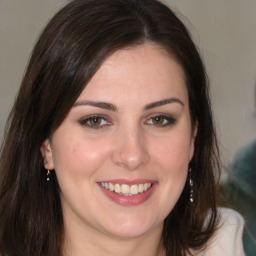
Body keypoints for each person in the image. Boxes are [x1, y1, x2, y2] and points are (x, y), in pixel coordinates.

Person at [0, 0, 245, 255]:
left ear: (193, 136)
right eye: (96, 121)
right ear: (46, 144)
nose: (132, 156)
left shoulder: (221, 244)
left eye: (159, 119)